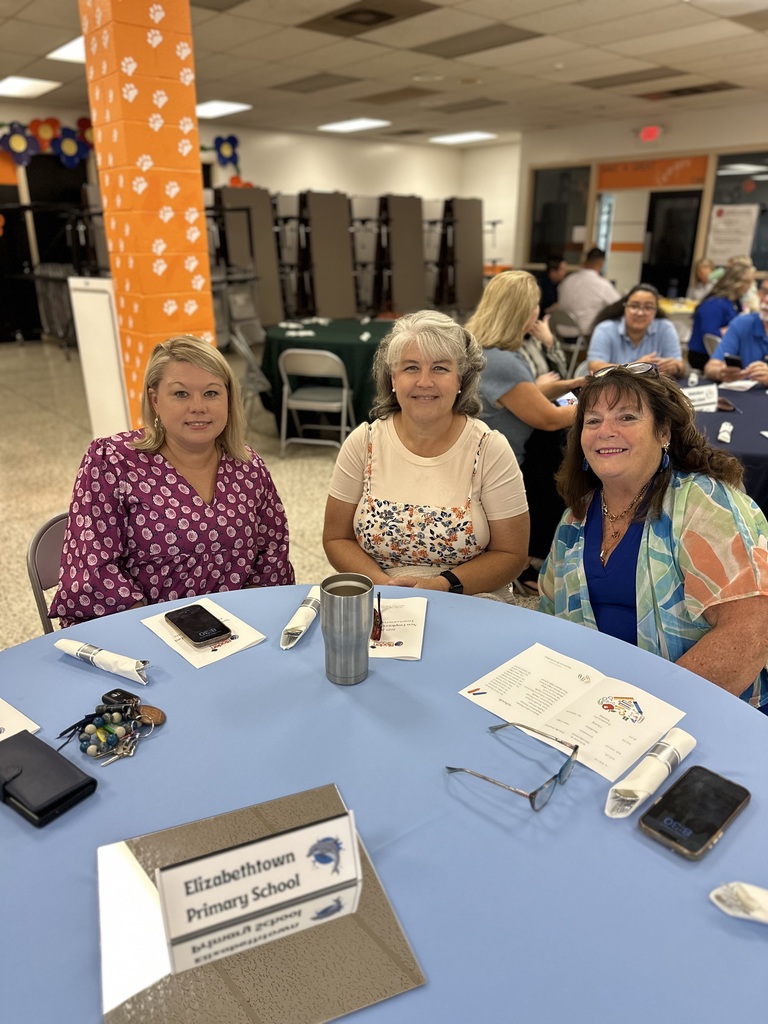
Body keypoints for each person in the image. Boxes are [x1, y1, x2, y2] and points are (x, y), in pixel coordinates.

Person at [539, 363, 768, 711]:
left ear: (664, 432)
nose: (606, 431)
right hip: (590, 706)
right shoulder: (576, 518)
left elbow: (751, 631)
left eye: (627, 417)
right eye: (593, 420)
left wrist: (643, 712)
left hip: (695, 714)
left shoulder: (702, 502)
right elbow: (548, 616)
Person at [51, 335, 295, 627]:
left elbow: (272, 558)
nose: (198, 407)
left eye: (211, 393)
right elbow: (93, 568)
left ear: (229, 399)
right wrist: (171, 637)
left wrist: (243, 629)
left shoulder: (248, 467)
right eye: (181, 394)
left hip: (235, 633)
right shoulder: (112, 462)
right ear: (155, 400)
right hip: (138, 632)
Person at [323, 310, 529, 601]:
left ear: (461, 380)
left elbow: (512, 554)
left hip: (468, 598)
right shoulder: (364, 442)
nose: (424, 382)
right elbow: (336, 538)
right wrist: (384, 586)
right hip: (379, 596)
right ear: (392, 378)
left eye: (440, 368)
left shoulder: (489, 449)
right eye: (410, 368)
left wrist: (442, 586)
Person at [468, 270, 583, 592]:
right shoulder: (503, 361)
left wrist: (573, 385)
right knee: (564, 463)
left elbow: (523, 394)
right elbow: (547, 418)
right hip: (502, 465)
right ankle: (525, 561)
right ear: (525, 312)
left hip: (482, 454)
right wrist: (599, 407)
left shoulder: (483, 350)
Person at [587, 283, 684, 378]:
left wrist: (675, 367)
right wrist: (634, 368)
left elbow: (680, 365)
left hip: (654, 391)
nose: (640, 313)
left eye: (648, 307)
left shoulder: (665, 328)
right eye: (634, 306)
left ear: (655, 311)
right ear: (625, 307)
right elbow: (595, 366)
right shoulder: (605, 329)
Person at [686, 263, 755, 370]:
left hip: (723, 352)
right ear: (737, 283)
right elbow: (709, 334)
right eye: (748, 282)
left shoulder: (734, 302)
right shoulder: (715, 303)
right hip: (704, 355)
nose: (750, 287)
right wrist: (733, 330)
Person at [704, 278, 768, 385]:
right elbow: (710, 367)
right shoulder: (742, 323)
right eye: (764, 292)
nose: (766, 299)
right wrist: (721, 373)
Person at [557, 247, 621, 336]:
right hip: (584, 336)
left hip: (560, 333)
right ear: (601, 263)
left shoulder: (567, 280)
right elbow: (620, 306)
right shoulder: (601, 284)